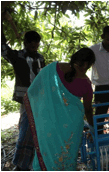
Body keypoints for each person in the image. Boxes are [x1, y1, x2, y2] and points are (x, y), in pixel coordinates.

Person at [23, 48, 95, 171]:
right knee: (66, 155)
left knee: (46, 149)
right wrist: (93, 128)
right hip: (71, 127)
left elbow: (34, 90)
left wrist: (44, 108)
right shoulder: (86, 83)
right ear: (88, 64)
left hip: (48, 122)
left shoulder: (52, 69)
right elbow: (88, 109)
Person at [1, 12, 45, 171]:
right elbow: (3, 47)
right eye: (31, 46)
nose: (34, 49)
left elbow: (42, 78)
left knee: (35, 133)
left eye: (36, 46)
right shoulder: (17, 56)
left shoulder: (40, 58)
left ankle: (30, 163)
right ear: (25, 43)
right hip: (26, 100)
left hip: (38, 100)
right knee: (25, 131)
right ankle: (21, 165)